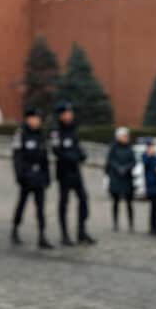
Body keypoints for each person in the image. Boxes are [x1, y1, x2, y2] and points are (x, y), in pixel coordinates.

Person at [50, 100, 95, 245]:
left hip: (75, 171)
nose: (70, 115)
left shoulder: (72, 129)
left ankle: (81, 231)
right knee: (64, 203)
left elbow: (77, 147)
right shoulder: (56, 131)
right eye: (67, 113)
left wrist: (81, 155)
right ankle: (64, 234)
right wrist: (73, 157)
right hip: (64, 172)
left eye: (71, 113)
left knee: (83, 199)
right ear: (61, 115)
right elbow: (57, 151)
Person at [11, 108, 53, 249]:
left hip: (39, 177)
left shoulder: (41, 135)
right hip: (26, 177)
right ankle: (15, 229)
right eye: (34, 118)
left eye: (38, 119)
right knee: (22, 204)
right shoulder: (21, 134)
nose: (37, 121)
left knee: (41, 208)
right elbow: (17, 157)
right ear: (28, 119)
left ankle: (42, 235)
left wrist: (47, 176)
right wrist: (20, 175)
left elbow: (45, 158)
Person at [105, 127, 135, 232]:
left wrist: (126, 168)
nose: (126, 138)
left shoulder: (129, 148)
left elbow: (133, 161)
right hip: (116, 178)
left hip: (127, 178)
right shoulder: (113, 148)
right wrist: (118, 168)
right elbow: (110, 160)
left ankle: (131, 224)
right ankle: (115, 223)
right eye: (124, 136)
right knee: (116, 202)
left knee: (129, 203)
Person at [142, 139, 156, 236]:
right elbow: (146, 164)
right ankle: (152, 227)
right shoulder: (146, 156)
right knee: (153, 208)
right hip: (152, 185)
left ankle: (155, 227)